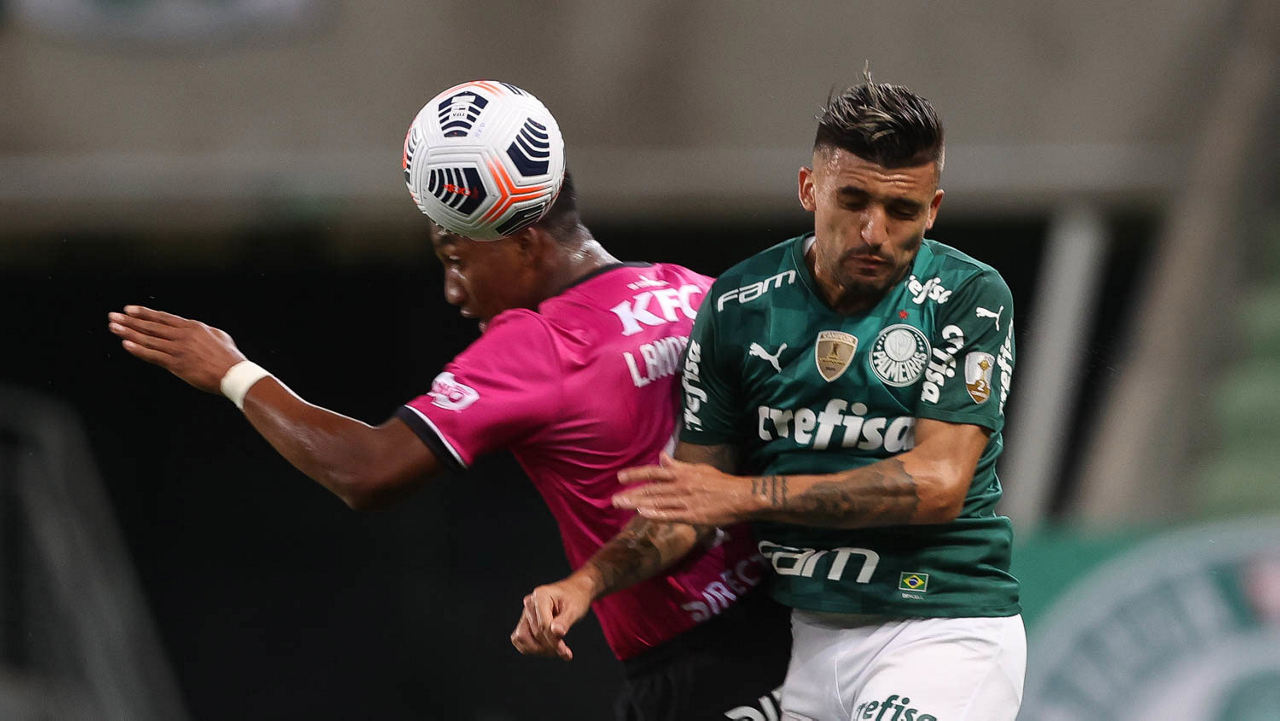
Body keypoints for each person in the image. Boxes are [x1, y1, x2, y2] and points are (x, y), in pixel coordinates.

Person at [107, 169, 790, 720]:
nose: (453, 290)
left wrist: (233, 373)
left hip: (704, 674)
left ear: (526, 243)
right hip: (789, 628)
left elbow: (365, 470)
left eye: (458, 259)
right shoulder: (690, 291)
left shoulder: (540, 342)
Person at [548, 74, 1025, 720]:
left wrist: (745, 495)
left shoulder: (968, 295)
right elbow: (692, 504)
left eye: (902, 210)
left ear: (933, 208)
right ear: (809, 189)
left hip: (940, 628)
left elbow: (938, 482)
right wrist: (585, 583)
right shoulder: (739, 305)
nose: (874, 231)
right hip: (805, 642)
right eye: (852, 200)